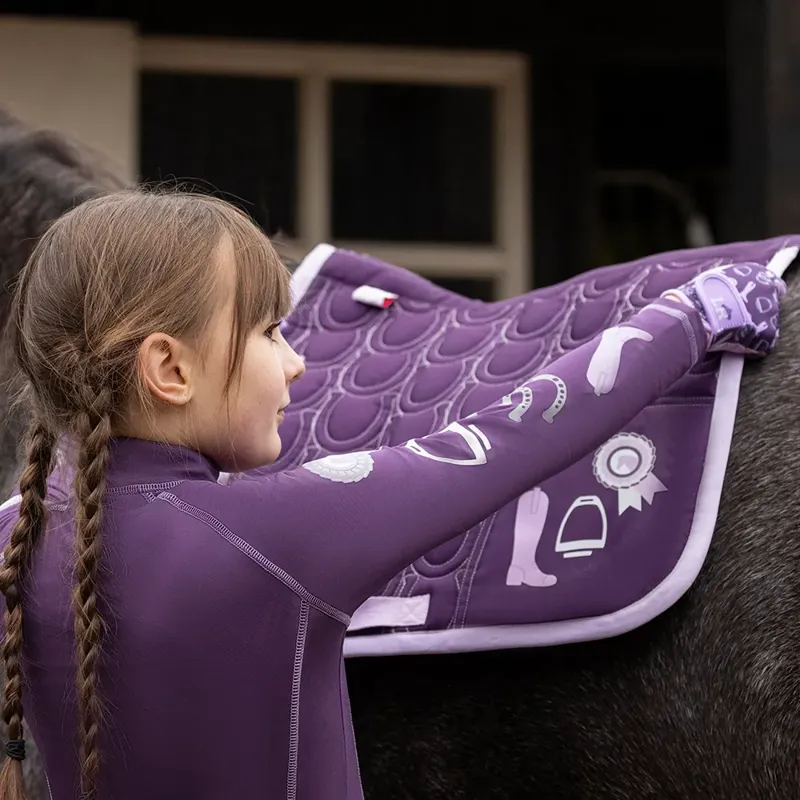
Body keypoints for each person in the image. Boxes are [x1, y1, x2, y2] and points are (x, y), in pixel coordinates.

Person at [0, 190, 786, 800]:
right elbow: (512, 437)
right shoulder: (277, 537)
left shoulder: (15, 539)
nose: (297, 363)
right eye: (269, 333)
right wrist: (689, 316)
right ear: (169, 369)